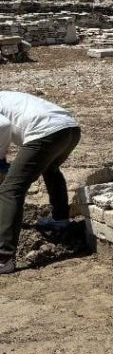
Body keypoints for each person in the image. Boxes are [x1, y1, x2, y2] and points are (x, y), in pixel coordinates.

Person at [0, 91, 82, 275]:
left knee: (10, 189)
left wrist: (1, 160)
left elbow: (3, 125)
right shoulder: (6, 96)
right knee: (50, 169)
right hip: (70, 129)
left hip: (46, 133)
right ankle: (60, 219)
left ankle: (3, 258)